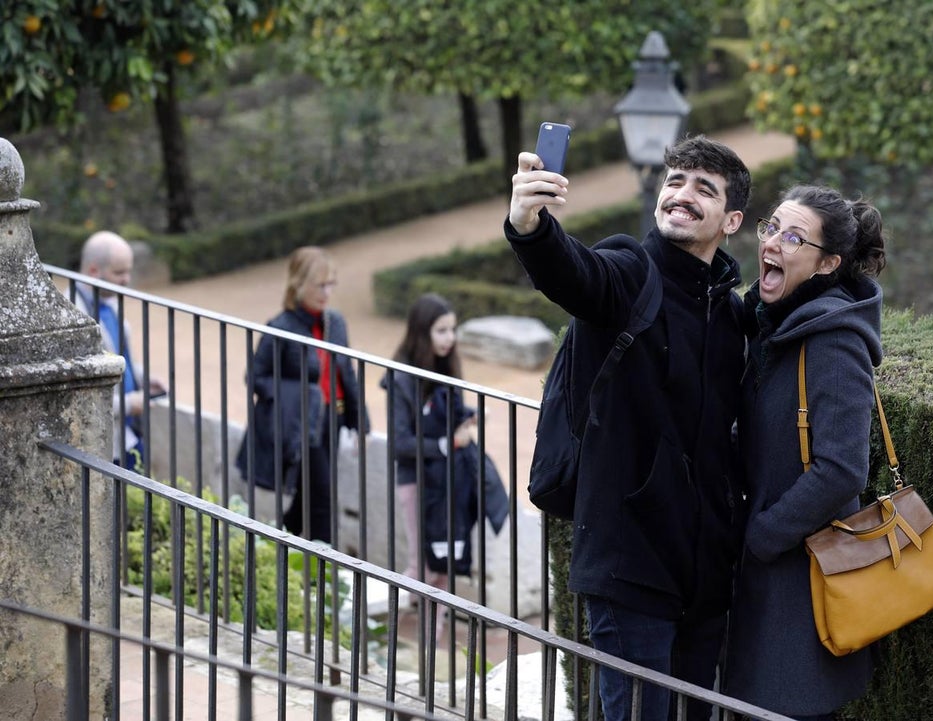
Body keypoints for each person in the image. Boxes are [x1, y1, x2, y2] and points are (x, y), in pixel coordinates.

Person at [505, 135, 750, 721]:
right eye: (675, 181)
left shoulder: (731, 313)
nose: (682, 195)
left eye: (704, 188)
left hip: (706, 574)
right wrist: (529, 225)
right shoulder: (629, 271)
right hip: (629, 562)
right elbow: (574, 272)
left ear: (732, 220)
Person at [722, 185, 887, 720]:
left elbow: (841, 470)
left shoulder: (833, 341)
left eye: (794, 238)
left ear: (828, 263)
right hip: (763, 580)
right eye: (771, 228)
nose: (772, 242)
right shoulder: (771, 324)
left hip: (799, 585)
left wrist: (763, 537)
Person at [236, 246, 369, 544]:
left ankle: (270, 549)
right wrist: (293, 397)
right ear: (298, 284)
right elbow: (255, 376)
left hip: (333, 419)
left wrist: (361, 423)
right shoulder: (281, 326)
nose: (327, 292)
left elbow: (346, 373)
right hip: (303, 425)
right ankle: (325, 568)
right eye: (320, 285)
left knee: (306, 501)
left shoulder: (336, 322)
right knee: (323, 501)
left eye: (331, 284)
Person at [383, 293, 509, 605]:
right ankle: (390, 619)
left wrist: (469, 417)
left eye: (453, 330)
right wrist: (447, 444)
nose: (450, 338)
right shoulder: (401, 377)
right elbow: (401, 443)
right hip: (417, 480)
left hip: (450, 479)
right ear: (421, 331)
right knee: (423, 566)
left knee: (445, 566)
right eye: (441, 330)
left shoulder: (447, 366)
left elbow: (447, 416)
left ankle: (433, 633)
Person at [75, 231, 167, 470]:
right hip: (104, 442)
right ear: (94, 271)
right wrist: (128, 404)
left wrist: (141, 376)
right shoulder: (74, 314)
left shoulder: (110, 301)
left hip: (128, 433)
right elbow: (82, 394)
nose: (127, 279)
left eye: (128, 271)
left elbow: (117, 357)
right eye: (119, 273)